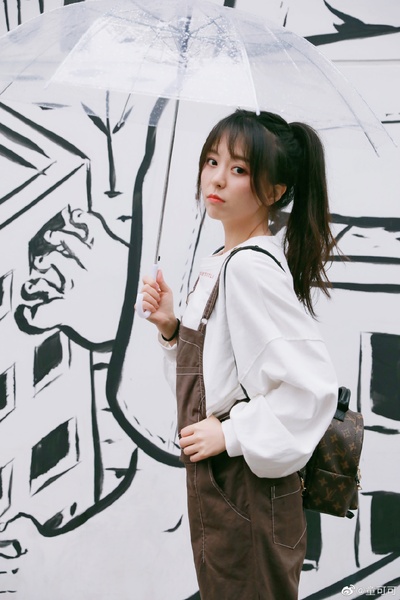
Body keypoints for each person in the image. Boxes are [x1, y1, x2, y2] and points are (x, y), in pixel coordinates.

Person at [139, 109, 338, 599]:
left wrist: (230, 433)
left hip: (247, 489)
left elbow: (312, 390)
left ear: (274, 191)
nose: (217, 178)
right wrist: (171, 328)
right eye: (212, 161)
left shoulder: (250, 269)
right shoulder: (223, 262)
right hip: (224, 486)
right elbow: (213, 383)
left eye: (239, 169)